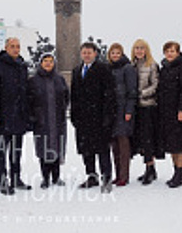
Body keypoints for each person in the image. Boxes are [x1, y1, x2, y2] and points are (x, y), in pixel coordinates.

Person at [0, 37, 32, 195]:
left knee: (16, 151)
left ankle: (16, 178)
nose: (15, 49)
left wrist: (27, 114)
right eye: (12, 46)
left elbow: (25, 92)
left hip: (19, 116)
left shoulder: (22, 66)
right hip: (4, 116)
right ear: (6, 48)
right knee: (1, 151)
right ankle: (2, 181)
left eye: (18, 46)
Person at [70, 42, 116, 193]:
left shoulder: (103, 69)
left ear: (95, 53)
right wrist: (74, 115)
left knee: (102, 149)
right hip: (83, 119)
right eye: (84, 52)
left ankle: (106, 177)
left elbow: (110, 94)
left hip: (99, 117)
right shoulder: (77, 71)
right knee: (86, 149)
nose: (87, 55)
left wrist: (108, 116)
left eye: (90, 52)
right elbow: (74, 95)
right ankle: (91, 176)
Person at [27, 53, 69, 189]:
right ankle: (45, 178)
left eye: (51, 61)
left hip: (57, 120)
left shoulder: (60, 79)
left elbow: (66, 97)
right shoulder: (34, 81)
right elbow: (29, 101)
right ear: (41, 63)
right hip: (41, 120)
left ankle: (56, 177)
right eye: (45, 61)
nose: (48, 64)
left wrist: (62, 110)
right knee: (44, 149)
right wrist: (33, 116)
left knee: (56, 147)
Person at [158, 41, 182, 188]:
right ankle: (176, 172)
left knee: (180, 144)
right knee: (171, 144)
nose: (169, 54)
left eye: (172, 51)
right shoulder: (164, 68)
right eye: (167, 51)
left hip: (179, 112)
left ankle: (180, 172)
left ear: (178, 53)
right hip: (166, 111)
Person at [131, 39, 163, 185]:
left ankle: (150, 169)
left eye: (142, 48)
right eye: (136, 48)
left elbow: (155, 84)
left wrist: (140, 93)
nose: (139, 51)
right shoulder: (131, 65)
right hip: (135, 107)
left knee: (148, 138)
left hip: (148, 106)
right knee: (140, 139)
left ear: (146, 50)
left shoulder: (152, 65)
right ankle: (149, 168)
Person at [107, 43, 137, 187]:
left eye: (117, 53)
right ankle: (117, 174)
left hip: (123, 111)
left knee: (124, 146)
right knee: (114, 146)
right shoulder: (108, 68)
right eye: (113, 53)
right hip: (112, 112)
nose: (115, 56)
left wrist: (129, 110)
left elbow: (132, 91)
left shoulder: (128, 68)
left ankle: (124, 176)